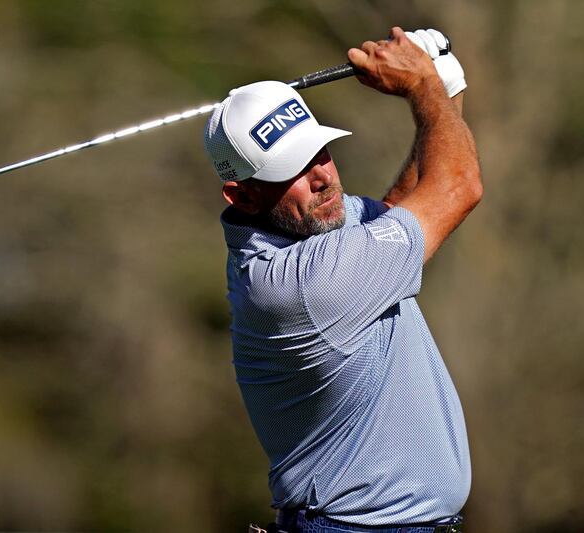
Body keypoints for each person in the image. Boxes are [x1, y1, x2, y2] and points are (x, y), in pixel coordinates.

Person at [203, 27, 482, 533]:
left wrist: (445, 86)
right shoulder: (299, 287)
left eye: (319, 152)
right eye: (293, 169)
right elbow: (457, 187)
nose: (323, 177)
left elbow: (398, 213)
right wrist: (422, 88)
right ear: (240, 196)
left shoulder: (306, 230)